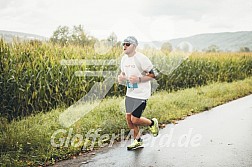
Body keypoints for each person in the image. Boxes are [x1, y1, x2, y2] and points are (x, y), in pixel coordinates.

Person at [117, 36, 159, 150]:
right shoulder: (124, 59)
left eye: (127, 44)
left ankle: (152, 123)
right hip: (130, 93)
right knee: (128, 119)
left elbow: (154, 74)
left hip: (141, 94)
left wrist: (139, 79)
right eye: (123, 44)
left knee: (135, 119)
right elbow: (124, 74)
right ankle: (137, 140)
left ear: (134, 46)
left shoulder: (141, 58)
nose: (124, 46)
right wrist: (121, 77)